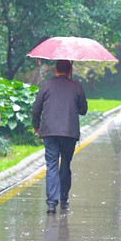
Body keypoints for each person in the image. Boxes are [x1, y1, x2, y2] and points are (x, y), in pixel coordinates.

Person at [32, 60, 88, 214]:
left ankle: (51, 203)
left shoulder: (46, 85)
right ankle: (63, 198)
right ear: (70, 71)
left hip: (49, 131)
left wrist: (36, 126)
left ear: (56, 70)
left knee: (51, 165)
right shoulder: (76, 87)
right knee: (65, 164)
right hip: (69, 132)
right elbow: (83, 110)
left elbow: (36, 108)